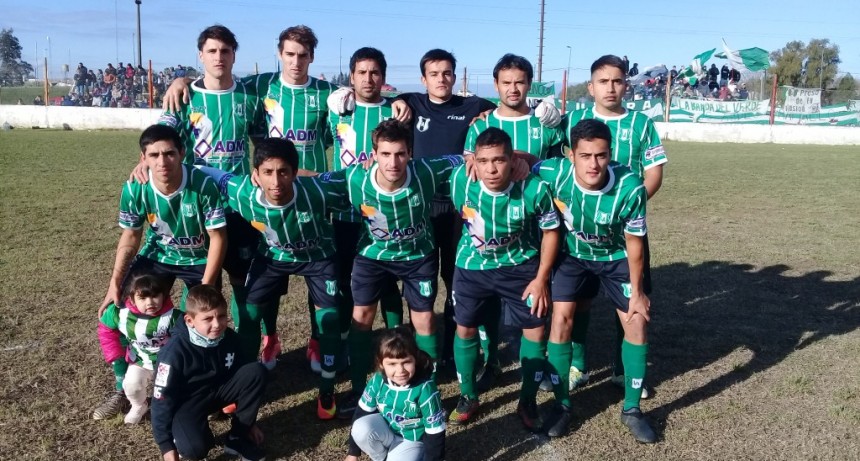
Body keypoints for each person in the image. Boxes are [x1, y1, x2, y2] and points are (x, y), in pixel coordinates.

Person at [318, 120, 464, 416]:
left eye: (399, 154)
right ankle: (360, 389)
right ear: (373, 154)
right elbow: (315, 180)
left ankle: (427, 389)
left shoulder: (426, 170)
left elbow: (465, 158)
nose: (393, 162)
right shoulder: (355, 178)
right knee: (361, 317)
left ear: (410, 153)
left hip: (417, 255)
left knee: (423, 321)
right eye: (385, 154)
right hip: (372, 255)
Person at [197, 137, 347, 420]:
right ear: (255, 175)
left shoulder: (317, 189)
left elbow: (354, 176)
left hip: (318, 257)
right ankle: (240, 387)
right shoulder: (243, 191)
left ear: (295, 172)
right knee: (249, 314)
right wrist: (149, 164)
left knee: (328, 318)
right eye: (267, 172)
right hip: (272, 258)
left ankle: (327, 388)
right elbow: (209, 173)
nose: (276, 181)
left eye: (283, 172)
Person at [535, 119, 656, 442]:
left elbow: (634, 244)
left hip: (615, 257)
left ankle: (632, 409)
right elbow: (524, 161)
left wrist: (638, 291)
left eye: (601, 155)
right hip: (573, 256)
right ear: (571, 155)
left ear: (610, 153)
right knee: (560, 321)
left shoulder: (630, 186)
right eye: (585, 155)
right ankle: (562, 405)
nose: (594, 163)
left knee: (636, 320)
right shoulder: (555, 172)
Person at [560, 54, 667, 399]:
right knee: (579, 302)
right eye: (603, 81)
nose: (611, 87)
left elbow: (654, 174)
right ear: (590, 87)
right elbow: (540, 150)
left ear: (626, 84)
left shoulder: (641, 124)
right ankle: (578, 365)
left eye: (617, 81)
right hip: (579, 231)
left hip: (625, 229)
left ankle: (622, 372)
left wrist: (622, 210)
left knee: (631, 305)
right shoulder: (572, 119)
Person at [461, 53, 564, 391]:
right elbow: (470, 166)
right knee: (489, 301)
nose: (513, 88)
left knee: (538, 302)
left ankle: (540, 361)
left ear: (529, 84)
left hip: (537, 230)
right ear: (496, 85)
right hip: (492, 232)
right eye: (506, 82)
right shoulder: (481, 123)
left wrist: (528, 160)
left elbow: (560, 166)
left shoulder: (543, 124)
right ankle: (491, 360)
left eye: (520, 81)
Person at [447, 127, 561, 432]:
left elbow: (551, 232)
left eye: (499, 160)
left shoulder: (533, 188)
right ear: (475, 161)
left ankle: (527, 401)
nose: (491, 168)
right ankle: (468, 395)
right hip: (472, 267)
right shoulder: (460, 179)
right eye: (484, 161)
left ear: (512, 160)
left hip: (520, 266)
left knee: (536, 330)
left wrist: (541, 278)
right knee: (465, 327)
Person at [325, 47, 404, 374]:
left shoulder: (397, 112)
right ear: (351, 77)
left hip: (384, 214)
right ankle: (346, 340)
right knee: (345, 280)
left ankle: (398, 341)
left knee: (387, 281)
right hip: (345, 213)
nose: (368, 79)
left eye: (374, 73)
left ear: (383, 78)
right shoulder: (337, 109)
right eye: (361, 72)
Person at [98, 124, 227, 318]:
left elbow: (218, 238)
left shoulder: (203, 185)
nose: (162, 162)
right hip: (159, 254)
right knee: (127, 304)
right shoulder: (135, 188)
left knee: (205, 315)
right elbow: (131, 235)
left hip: (199, 257)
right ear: (143, 159)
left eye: (169, 153)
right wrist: (114, 283)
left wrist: (206, 286)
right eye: (154, 155)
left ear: (182, 153)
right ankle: (142, 348)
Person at [151, 285, 267, 461]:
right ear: (190, 321)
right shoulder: (173, 353)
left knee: (256, 371)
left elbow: (243, 372)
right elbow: (161, 399)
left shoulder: (229, 337)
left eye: (221, 316)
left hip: (218, 391)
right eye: (208, 319)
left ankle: (237, 438)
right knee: (195, 450)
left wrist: (249, 423)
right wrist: (166, 446)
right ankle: (185, 432)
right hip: (188, 402)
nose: (217, 324)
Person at [345, 327, 446, 461]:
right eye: (392, 364)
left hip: (412, 440)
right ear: (381, 364)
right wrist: (353, 453)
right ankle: (382, 457)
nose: (400, 370)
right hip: (387, 429)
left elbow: (436, 434)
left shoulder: (426, 389)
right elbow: (361, 413)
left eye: (406, 362)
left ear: (415, 359)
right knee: (360, 428)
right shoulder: (377, 380)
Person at [94, 272, 182, 424]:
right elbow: (106, 329)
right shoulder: (120, 313)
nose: (150, 302)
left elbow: (186, 338)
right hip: (140, 360)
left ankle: (175, 411)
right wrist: (114, 352)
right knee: (131, 385)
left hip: (167, 364)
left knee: (168, 391)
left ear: (164, 295)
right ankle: (139, 406)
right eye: (143, 298)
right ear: (131, 298)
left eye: (155, 296)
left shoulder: (173, 316)